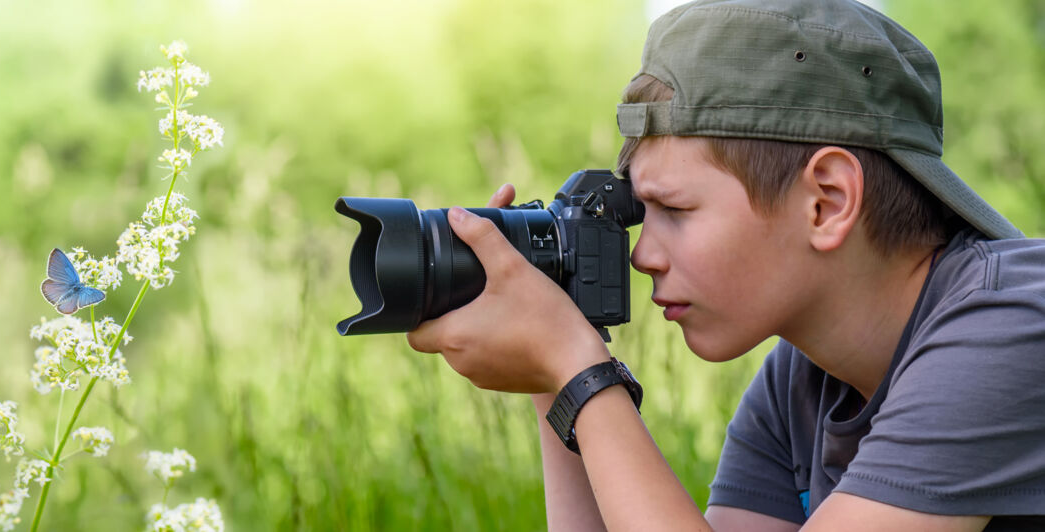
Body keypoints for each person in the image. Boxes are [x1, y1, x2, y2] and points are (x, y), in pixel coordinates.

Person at [406, 0, 1045, 529]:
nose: (642, 253)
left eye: (675, 210)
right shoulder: (802, 382)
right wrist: (551, 367)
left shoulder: (1015, 328)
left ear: (827, 201)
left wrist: (583, 376)